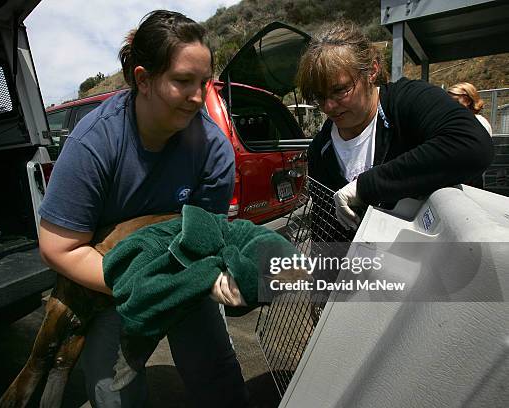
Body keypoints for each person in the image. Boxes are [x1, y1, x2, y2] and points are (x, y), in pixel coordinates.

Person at [37, 10, 248, 408]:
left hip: (181, 271)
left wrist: (214, 277)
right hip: (111, 280)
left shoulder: (213, 149)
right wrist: (138, 286)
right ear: (143, 79)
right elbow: (57, 247)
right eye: (183, 81)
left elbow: (207, 237)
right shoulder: (95, 143)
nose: (198, 97)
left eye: (204, 83)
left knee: (216, 370)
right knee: (111, 387)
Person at [296, 21, 494, 231]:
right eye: (319, 97)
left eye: (340, 90)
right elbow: (323, 224)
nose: (329, 106)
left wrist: (366, 187)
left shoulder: (408, 101)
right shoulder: (320, 148)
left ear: (372, 71)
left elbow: (473, 145)